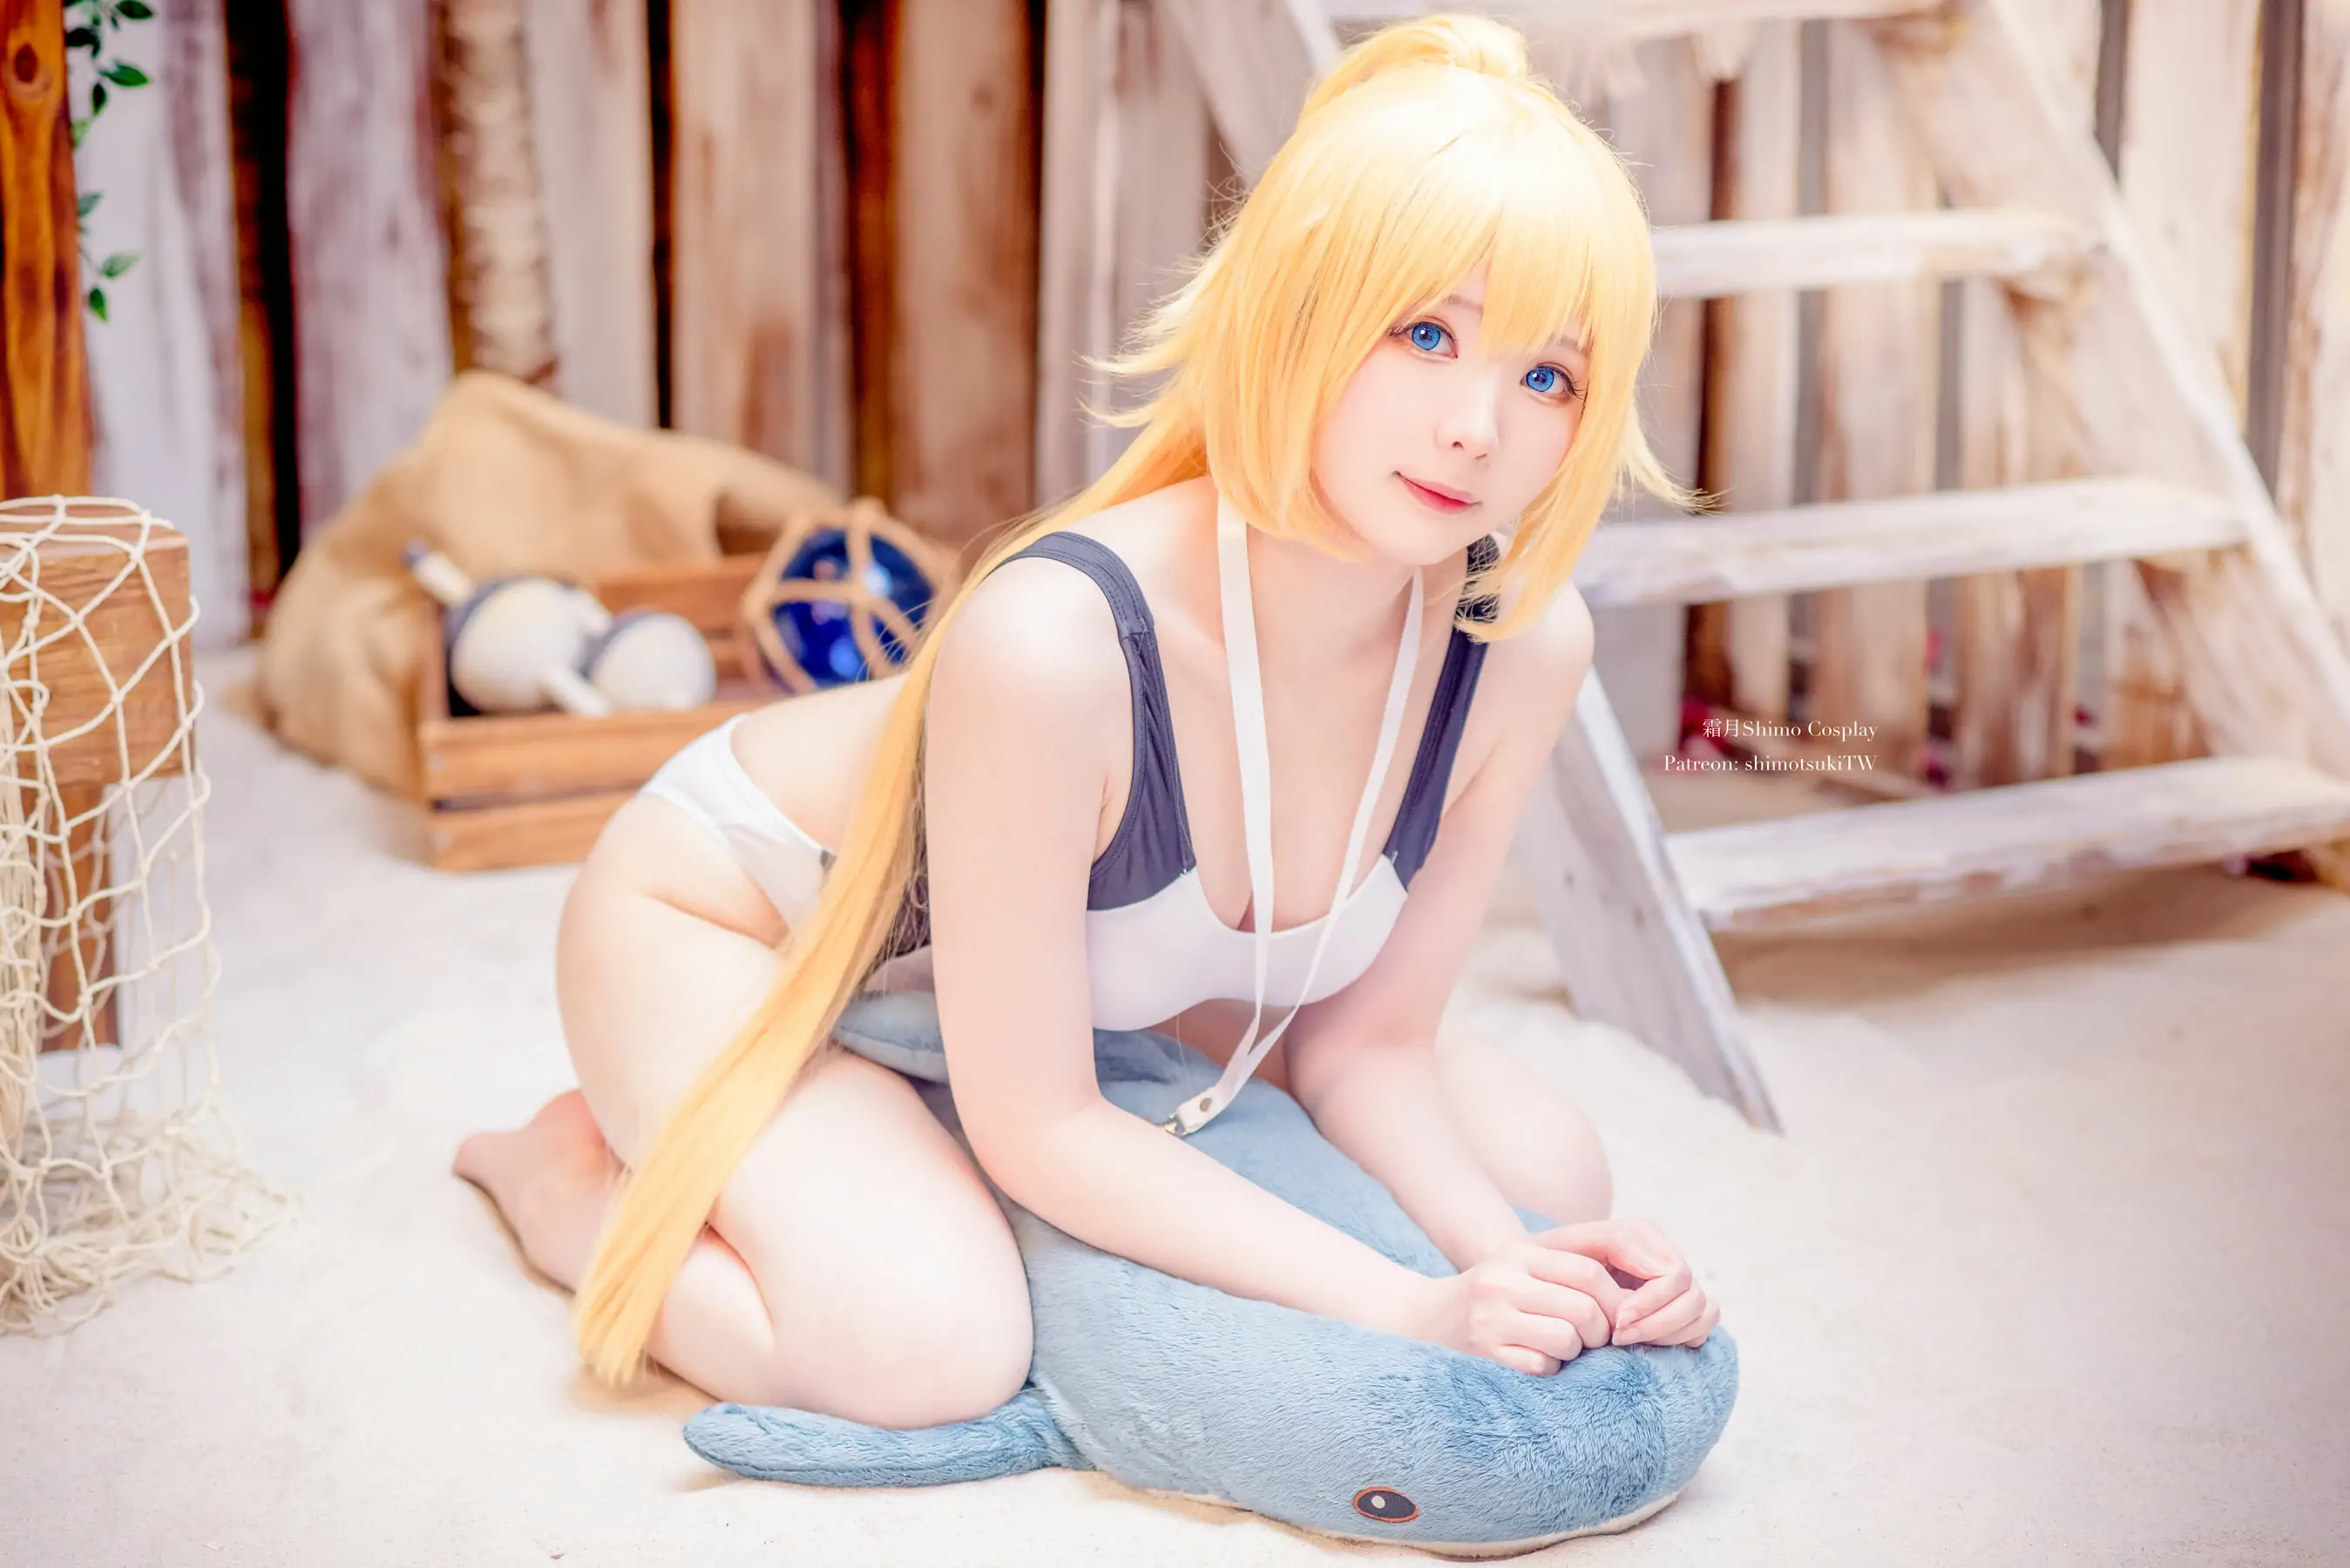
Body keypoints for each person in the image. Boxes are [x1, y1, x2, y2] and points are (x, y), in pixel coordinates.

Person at [454, 12, 1720, 1432]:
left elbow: (1368, 1046)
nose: (1479, 426)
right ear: (1297, 311)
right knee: (928, 1354)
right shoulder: (1056, 642)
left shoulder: (1518, 645)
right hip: (740, 923)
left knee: (1551, 1173)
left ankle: (880, 1157)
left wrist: (1510, 1262)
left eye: (1548, 375)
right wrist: (1408, 1307)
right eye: (1427, 333)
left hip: (1046, 979)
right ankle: (571, 1184)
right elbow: (1047, 1125)